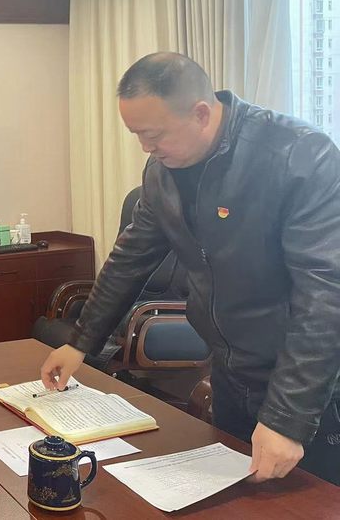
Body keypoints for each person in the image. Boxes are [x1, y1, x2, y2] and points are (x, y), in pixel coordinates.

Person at [40, 52, 340, 485]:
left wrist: (287, 418)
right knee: (238, 500)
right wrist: (80, 342)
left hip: (309, 388)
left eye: (153, 134)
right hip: (230, 371)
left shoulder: (297, 156)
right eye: (137, 135)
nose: (146, 148)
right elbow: (130, 258)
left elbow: (326, 295)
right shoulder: (163, 170)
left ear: (200, 113)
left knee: (310, 505)